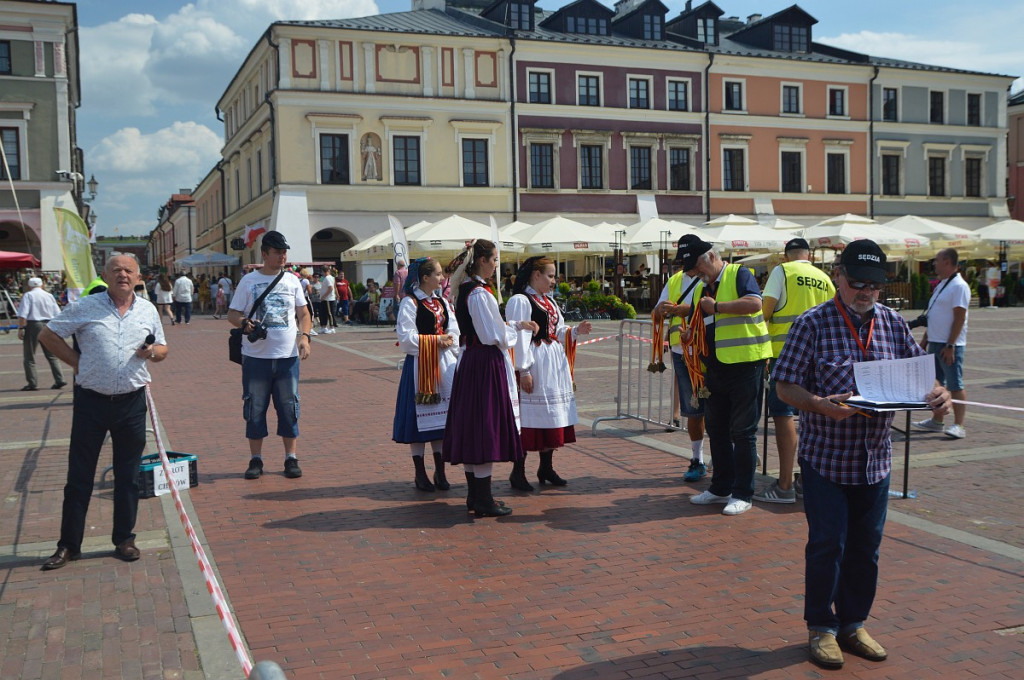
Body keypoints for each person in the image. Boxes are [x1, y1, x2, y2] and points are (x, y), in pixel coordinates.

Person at [774, 240, 951, 669]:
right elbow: (783, 385)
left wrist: (938, 394)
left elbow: (919, 376)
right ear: (838, 276)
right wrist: (818, 404)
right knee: (826, 545)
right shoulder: (812, 324)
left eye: (875, 284)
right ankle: (821, 627)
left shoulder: (892, 323)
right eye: (858, 283)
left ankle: (853, 623)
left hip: (875, 460)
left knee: (865, 548)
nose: (867, 292)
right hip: (826, 459)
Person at [37, 254, 168, 570]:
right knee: (79, 476)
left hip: (131, 403)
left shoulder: (148, 310)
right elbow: (47, 334)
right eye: (116, 270)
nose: (123, 274)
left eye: (129, 270)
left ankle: (124, 539)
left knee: (128, 477)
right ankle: (69, 545)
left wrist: (151, 352)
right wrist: (76, 362)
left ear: (138, 277)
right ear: (106, 276)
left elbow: (163, 350)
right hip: (91, 403)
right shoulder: (87, 306)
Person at [441, 240, 538, 517]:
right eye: (495, 260)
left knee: (475, 427)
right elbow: (492, 335)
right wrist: (514, 333)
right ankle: (483, 499)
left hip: (472, 361)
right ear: (482, 260)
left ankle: (476, 496)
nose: (497, 265)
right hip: (484, 363)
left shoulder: (467, 289)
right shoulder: (480, 293)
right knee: (484, 428)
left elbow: (487, 326)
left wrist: (517, 324)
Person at [681, 234, 772, 517]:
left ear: (710, 256)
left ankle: (743, 493)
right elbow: (702, 319)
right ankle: (721, 487)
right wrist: (690, 335)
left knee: (742, 432)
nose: (694, 272)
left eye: (696, 265)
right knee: (717, 428)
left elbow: (754, 303)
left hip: (746, 364)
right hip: (715, 367)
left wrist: (718, 307)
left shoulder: (739, 274)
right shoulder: (701, 288)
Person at [754, 238, 835, 504]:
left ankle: (785, 484)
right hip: (820, 357)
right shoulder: (824, 277)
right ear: (808, 255)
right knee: (813, 416)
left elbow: (765, 311)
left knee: (783, 414)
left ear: (786, 255)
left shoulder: (783, 271)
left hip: (785, 354)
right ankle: (806, 479)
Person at [229, 231, 313, 481]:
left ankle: (291, 458)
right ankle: (256, 459)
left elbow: (304, 314)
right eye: (277, 252)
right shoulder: (248, 281)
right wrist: (245, 322)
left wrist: (305, 337)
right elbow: (232, 314)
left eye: (284, 252)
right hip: (255, 358)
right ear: (264, 254)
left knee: (289, 407)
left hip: (287, 358)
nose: (282, 256)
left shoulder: (292, 281)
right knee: (254, 408)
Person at [505, 256, 591, 491]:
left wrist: (574, 331)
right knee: (527, 417)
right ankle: (518, 471)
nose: (554, 280)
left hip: (552, 362)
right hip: (534, 362)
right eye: (550, 275)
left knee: (551, 415)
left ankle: (546, 467)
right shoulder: (521, 300)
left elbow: (557, 330)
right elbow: (518, 337)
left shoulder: (548, 301)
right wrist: (523, 370)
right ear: (536, 275)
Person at [393, 258, 460, 491]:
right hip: (420, 366)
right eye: (439, 274)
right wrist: (435, 341)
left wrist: (450, 339)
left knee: (440, 421)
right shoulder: (410, 303)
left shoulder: (442, 301)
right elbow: (406, 339)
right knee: (419, 421)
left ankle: (440, 472)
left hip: (444, 364)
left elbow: (454, 327)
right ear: (425, 278)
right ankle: (420, 473)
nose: (442, 278)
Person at [654, 253, 708, 483]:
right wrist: (663, 309)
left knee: (718, 408)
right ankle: (698, 458)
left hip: (710, 351)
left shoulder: (711, 278)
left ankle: (728, 456)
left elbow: (713, 308)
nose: (685, 267)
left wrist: (689, 310)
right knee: (692, 409)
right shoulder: (675, 280)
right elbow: (657, 311)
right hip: (682, 352)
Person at [913, 247, 971, 439]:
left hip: (949, 345)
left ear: (947, 262)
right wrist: (924, 341)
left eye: (937, 260)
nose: (934, 263)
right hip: (936, 342)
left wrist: (951, 345)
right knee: (936, 384)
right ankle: (937, 421)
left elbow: (959, 318)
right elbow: (935, 317)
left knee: (955, 384)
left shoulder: (959, 286)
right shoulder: (943, 284)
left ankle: (959, 425)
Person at [16, 277, 67, 391]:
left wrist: (21, 328)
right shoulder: (48, 295)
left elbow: (23, 314)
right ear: (42, 285)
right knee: (51, 355)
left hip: (33, 324)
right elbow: (57, 313)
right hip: (48, 324)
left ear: (29, 286)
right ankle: (59, 379)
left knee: (29, 356)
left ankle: (32, 382)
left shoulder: (28, 295)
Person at [319, 266, 336, 333]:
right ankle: (324, 327)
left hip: (328, 299)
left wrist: (324, 296)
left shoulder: (328, 278)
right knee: (324, 313)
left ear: (324, 272)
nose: (322, 273)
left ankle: (332, 327)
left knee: (330, 313)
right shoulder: (330, 278)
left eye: (322, 272)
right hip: (325, 299)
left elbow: (331, 288)